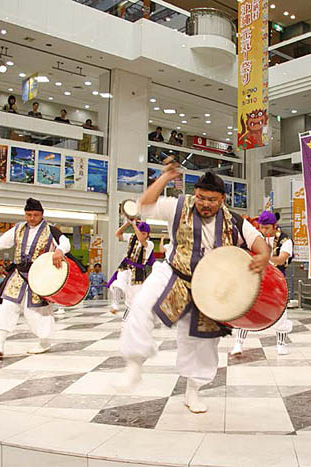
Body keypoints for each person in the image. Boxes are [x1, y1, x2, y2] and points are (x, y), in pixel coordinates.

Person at [119, 168, 269, 414]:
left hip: (210, 287)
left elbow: (258, 242)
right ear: (195, 194)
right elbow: (144, 205)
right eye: (201, 197)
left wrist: (263, 256)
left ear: (222, 199)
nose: (205, 204)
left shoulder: (234, 220)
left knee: (200, 342)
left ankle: (193, 391)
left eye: (211, 199)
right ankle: (134, 364)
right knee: (141, 305)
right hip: (173, 272)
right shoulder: (178, 206)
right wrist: (166, 178)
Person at [0, 198, 71, 357]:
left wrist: (59, 250)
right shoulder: (18, 229)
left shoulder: (50, 230)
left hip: (40, 276)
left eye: (35, 215)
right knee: (6, 306)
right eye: (28, 215)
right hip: (18, 274)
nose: (32, 218)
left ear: (42, 214)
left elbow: (65, 242)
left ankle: (44, 342)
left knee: (36, 312)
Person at [231, 211, 293, 355]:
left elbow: (282, 259)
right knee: (245, 310)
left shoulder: (286, 241)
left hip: (276, 282)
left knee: (281, 314)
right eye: (261, 227)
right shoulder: (255, 237)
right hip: (252, 279)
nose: (263, 231)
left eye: (266, 228)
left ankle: (281, 344)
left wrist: (265, 258)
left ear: (274, 226)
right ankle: (238, 344)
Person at [108, 220, 154, 319]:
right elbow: (118, 234)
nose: (141, 234)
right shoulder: (132, 237)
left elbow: (142, 240)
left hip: (138, 272)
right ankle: (115, 305)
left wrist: (134, 225)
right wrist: (127, 223)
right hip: (126, 266)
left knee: (133, 298)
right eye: (140, 232)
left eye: (144, 233)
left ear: (148, 234)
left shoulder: (150, 244)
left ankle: (128, 319)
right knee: (118, 284)